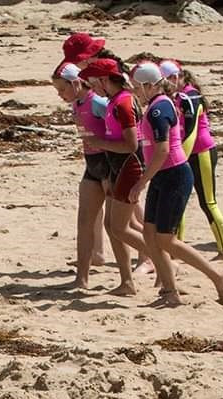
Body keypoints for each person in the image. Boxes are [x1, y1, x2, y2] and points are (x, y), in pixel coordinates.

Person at [126, 63, 223, 306]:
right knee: (150, 234)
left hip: (174, 174)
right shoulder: (155, 105)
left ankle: (216, 274)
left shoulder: (159, 108)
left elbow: (163, 150)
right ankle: (169, 291)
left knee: (166, 238)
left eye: (137, 87)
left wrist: (141, 182)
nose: (135, 92)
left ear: (149, 85)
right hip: (163, 175)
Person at [80, 57, 144, 296]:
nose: (92, 88)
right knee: (112, 226)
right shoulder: (114, 101)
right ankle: (127, 281)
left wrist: (99, 143)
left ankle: (163, 259)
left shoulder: (123, 103)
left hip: (128, 166)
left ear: (105, 80)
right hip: (117, 167)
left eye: (93, 82)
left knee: (120, 227)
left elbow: (130, 144)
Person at [164, 61, 223, 260]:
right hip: (186, 152)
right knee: (179, 204)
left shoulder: (190, 97)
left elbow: (191, 132)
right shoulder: (178, 97)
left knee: (208, 201)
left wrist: (179, 160)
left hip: (201, 152)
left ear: (176, 77)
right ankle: (176, 249)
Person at [54, 61, 111, 289]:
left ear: (76, 83)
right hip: (91, 164)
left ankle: (152, 262)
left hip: (109, 164)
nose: (60, 95)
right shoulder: (76, 104)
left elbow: (120, 129)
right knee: (84, 222)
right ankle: (82, 278)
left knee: (118, 227)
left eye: (62, 89)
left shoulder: (97, 102)